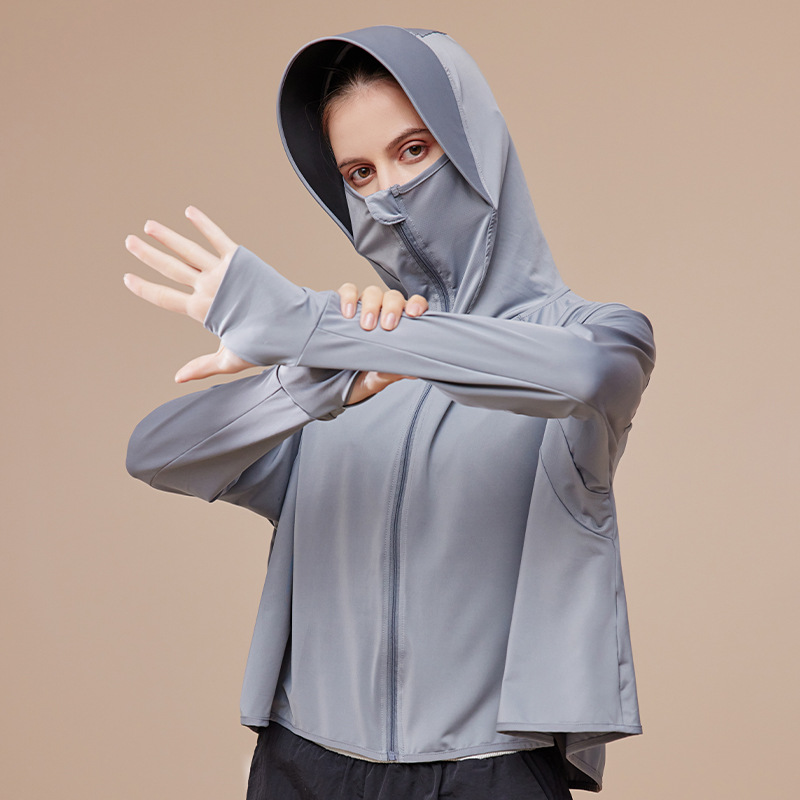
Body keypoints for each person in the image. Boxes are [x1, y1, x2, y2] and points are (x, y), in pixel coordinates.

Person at [124, 25, 655, 799]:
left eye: (414, 151)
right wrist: (317, 380)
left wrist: (311, 323)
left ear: (476, 150)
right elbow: (155, 454)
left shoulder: (593, 334)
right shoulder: (340, 364)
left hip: (487, 770)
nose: (390, 195)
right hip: (303, 762)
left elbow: (583, 376)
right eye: (359, 172)